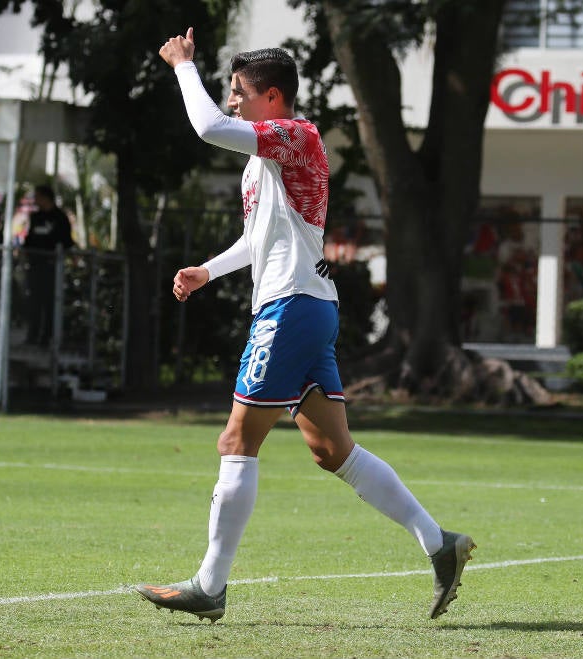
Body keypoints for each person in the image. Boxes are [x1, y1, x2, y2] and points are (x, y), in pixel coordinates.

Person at [136, 28, 474, 623]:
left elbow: (209, 127)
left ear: (271, 96)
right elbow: (256, 239)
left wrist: (183, 66)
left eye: (238, 91)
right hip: (308, 305)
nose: (232, 100)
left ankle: (209, 586)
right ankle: (437, 541)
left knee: (237, 440)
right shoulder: (265, 161)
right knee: (331, 449)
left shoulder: (297, 135)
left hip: (289, 307)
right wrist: (208, 271)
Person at [21, 184, 73, 346]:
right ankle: (32, 335)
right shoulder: (35, 217)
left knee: (49, 302)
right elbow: (30, 238)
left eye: (37, 196)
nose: (35, 200)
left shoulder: (60, 217)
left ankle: (47, 336)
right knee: (33, 301)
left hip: (51, 267)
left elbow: (66, 242)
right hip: (35, 265)